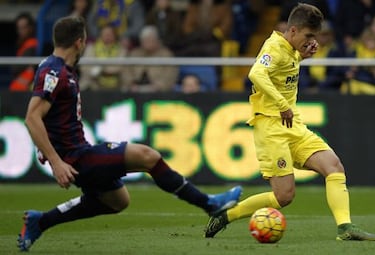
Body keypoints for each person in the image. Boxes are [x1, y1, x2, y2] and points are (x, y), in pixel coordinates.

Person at [17, 16, 242, 252]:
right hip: (73, 156)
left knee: (117, 200)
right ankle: (210, 204)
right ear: (79, 42)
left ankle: (40, 221)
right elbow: (32, 118)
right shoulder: (54, 71)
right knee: (147, 156)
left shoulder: (60, 69)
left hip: (76, 151)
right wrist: (56, 162)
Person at [204, 3, 375, 241]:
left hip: (293, 125)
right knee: (284, 197)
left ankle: (345, 228)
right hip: (270, 126)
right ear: (294, 30)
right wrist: (282, 105)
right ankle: (226, 215)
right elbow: (256, 73)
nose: (311, 40)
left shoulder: (290, 49)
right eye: (308, 36)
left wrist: (302, 55)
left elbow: (283, 70)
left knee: (334, 167)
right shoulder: (273, 46)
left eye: (314, 36)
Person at [122, 25, 178, 92]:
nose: (147, 43)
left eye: (150, 40)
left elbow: (170, 75)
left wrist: (159, 86)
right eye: (145, 41)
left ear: (156, 40)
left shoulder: (166, 55)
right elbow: (126, 71)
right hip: (135, 88)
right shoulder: (134, 53)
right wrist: (131, 84)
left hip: (158, 91)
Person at [79, 24, 127, 91]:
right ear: (100, 35)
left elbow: (119, 67)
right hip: (94, 84)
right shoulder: (91, 48)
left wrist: (101, 69)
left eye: (110, 34)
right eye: (105, 34)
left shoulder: (121, 49)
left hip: (117, 84)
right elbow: (84, 68)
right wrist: (94, 72)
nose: (107, 36)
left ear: (115, 35)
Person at [9, 12, 38, 91]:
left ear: (31, 28)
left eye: (24, 27)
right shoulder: (23, 45)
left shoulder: (32, 44)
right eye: (19, 28)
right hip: (18, 89)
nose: (20, 31)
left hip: (25, 90)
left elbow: (16, 68)